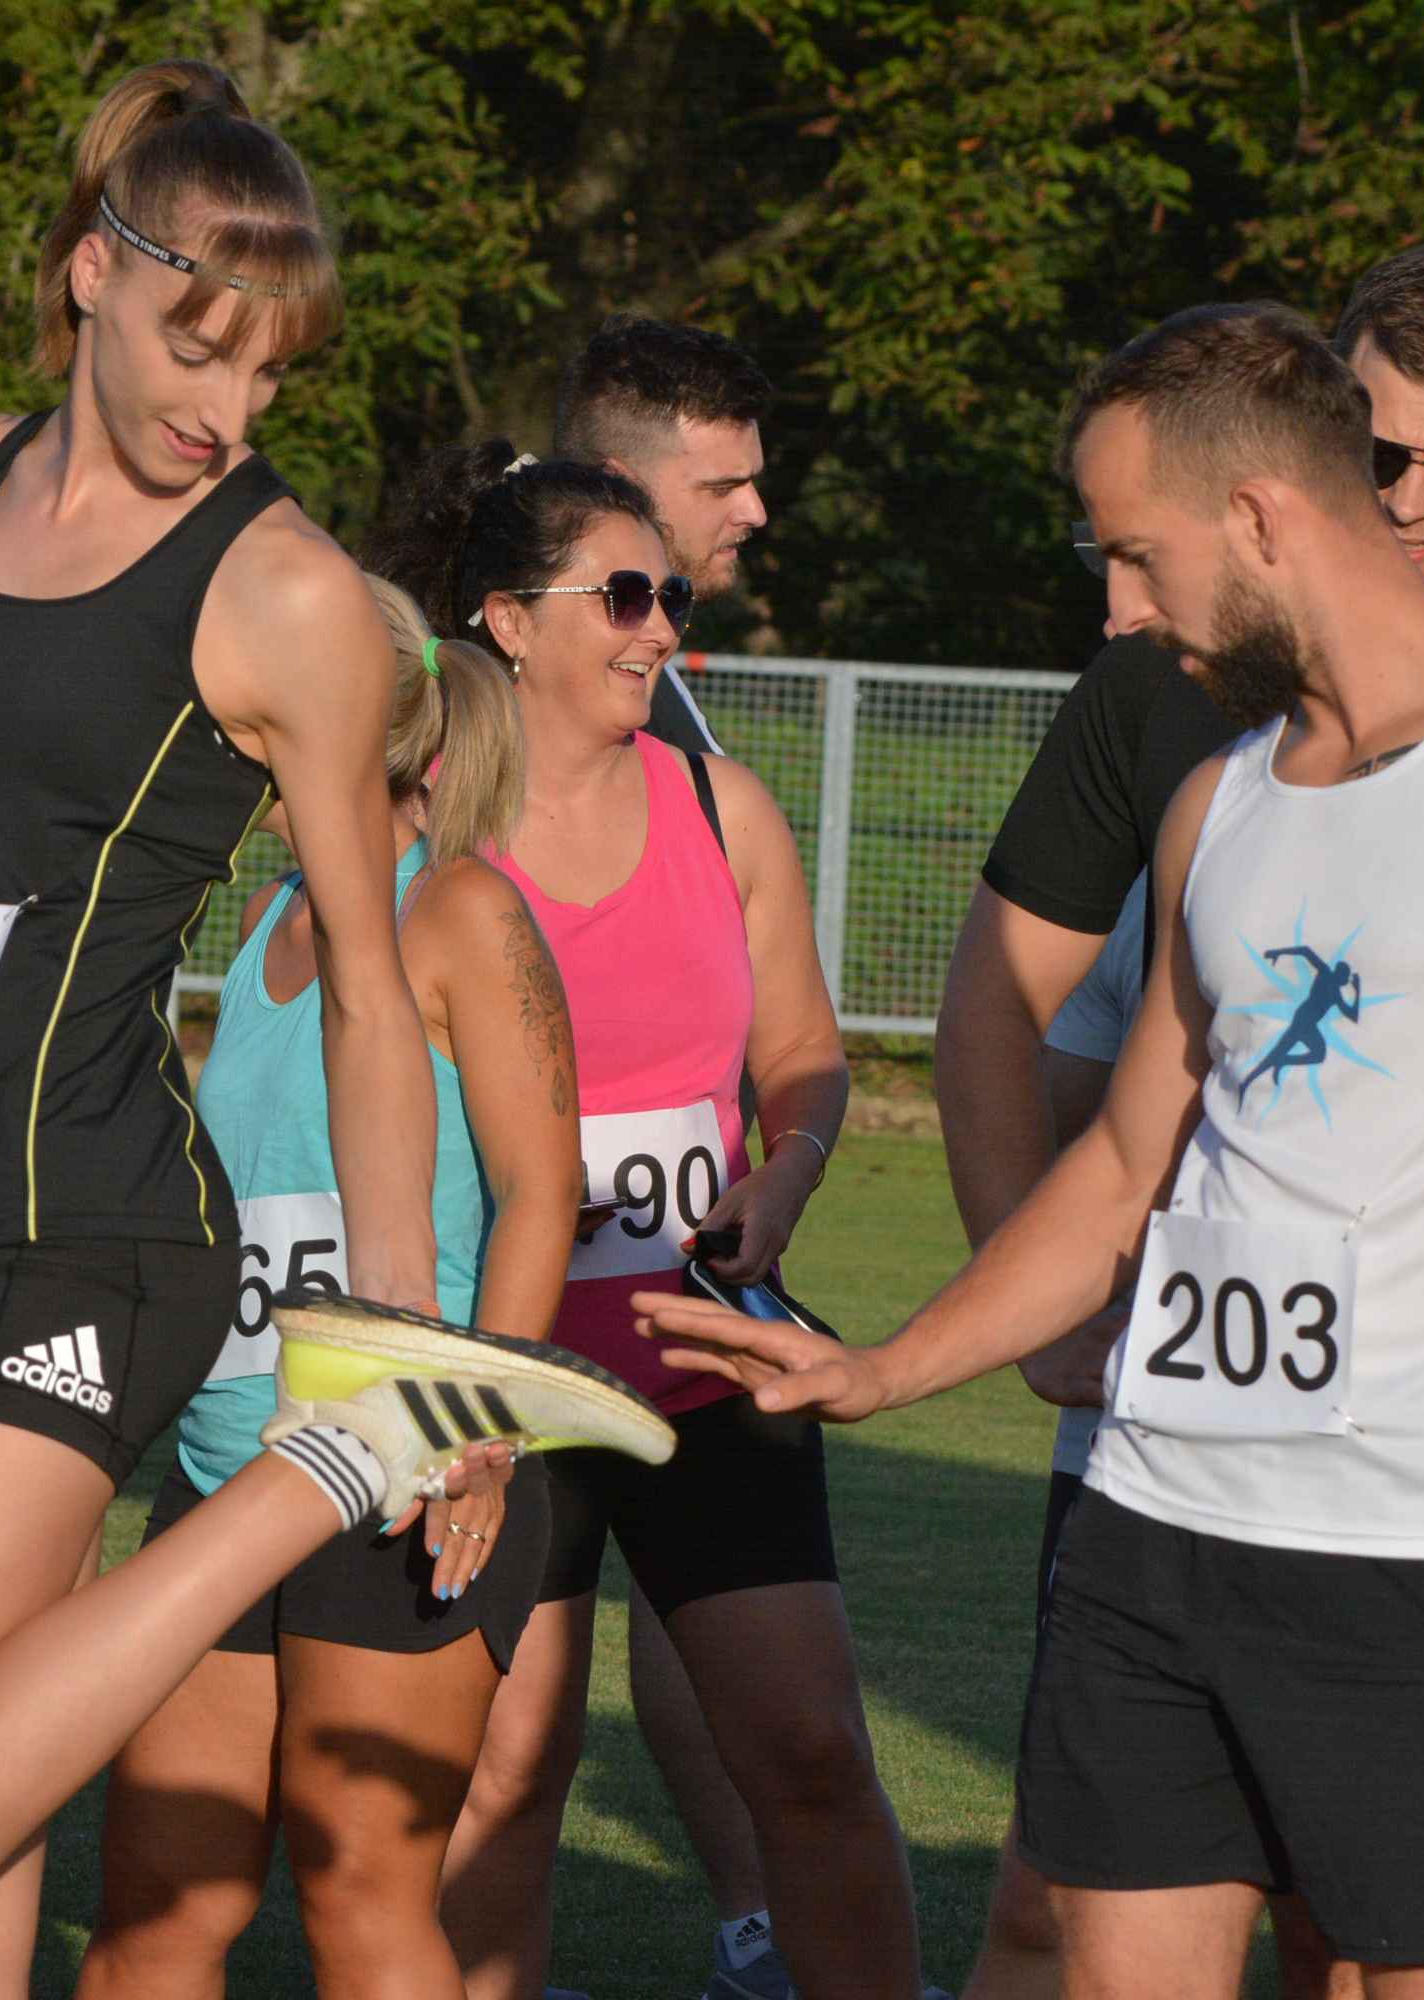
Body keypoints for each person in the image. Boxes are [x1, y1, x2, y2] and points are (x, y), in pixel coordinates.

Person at [645, 303, 1424, 1999]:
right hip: (1158, 1523)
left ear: (1254, 519)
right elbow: (1118, 1171)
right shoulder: (1221, 797)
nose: (1117, 606)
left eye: (1133, 554)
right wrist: (890, 1367)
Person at [0, 62, 672, 1997]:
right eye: (195, 346)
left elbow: (368, 976)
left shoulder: (292, 593)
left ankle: (310, 1480)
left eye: (267, 376)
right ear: (95, 272)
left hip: (104, 1237)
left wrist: (396, 1358)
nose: (224, 410)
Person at [935, 243, 1424, 1998]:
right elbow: (1012, 1017)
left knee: (1378, 1943)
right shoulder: (1175, 686)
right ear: (1299, 456)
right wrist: (1020, 1294)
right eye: (1381, 452)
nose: (1415, 499)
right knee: (1051, 1912)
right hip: (1172, 1449)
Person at [367, 445, 920, 2000]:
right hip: (503, 1383)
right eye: (622, 594)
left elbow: (806, 1057)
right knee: (503, 1781)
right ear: (504, 621)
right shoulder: (417, 836)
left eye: (669, 594)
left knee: (809, 1752)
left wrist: (788, 1174)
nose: (660, 627)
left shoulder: (719, 803)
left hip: (702, 1362)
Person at [75, 573, 579, 2000]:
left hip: (419, 1472)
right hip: (232, 1472)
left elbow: (545, 1192)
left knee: (361, 1900)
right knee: (157, 1910)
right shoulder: (268, 925)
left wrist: (487, 1433)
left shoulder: (466, 910)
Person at [550, 309, 808, 1999]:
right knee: (489, 1709)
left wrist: (769, 1180)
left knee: (738, 1664)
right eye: (724, 483)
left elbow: (792, 1047)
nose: (756, 514)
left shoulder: (689, 732)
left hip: (695, 1303)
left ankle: (758, 1929)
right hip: (506, 1314)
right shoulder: (472, 688)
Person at [553, 314, 772, 764]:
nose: (756, 512)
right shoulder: (511, 682)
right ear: (618, 486)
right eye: (721, 488)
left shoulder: (639, 653)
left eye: (752, 483)